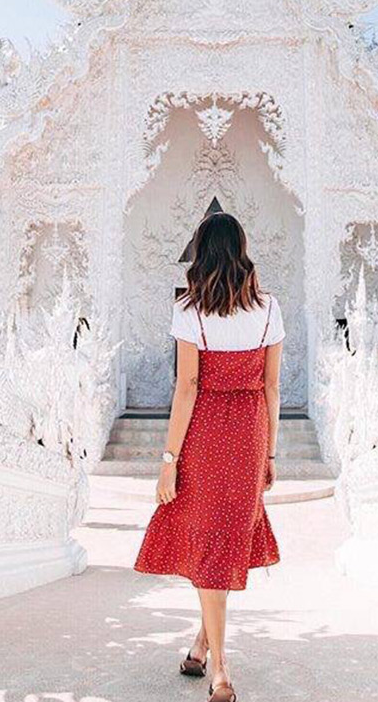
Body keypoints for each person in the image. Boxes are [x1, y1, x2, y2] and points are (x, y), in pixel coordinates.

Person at [134, 211, 285, 702]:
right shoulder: (268, 308)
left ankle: (221, 669)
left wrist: (168, 459)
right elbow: (272, 387)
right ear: (242, 251)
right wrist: (270, 453)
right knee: (221, 543)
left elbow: (187, 386)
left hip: (204, 434)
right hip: (249, 432)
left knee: (211, 543)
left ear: (201, 253)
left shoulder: (190, 309)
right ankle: (201, 645)